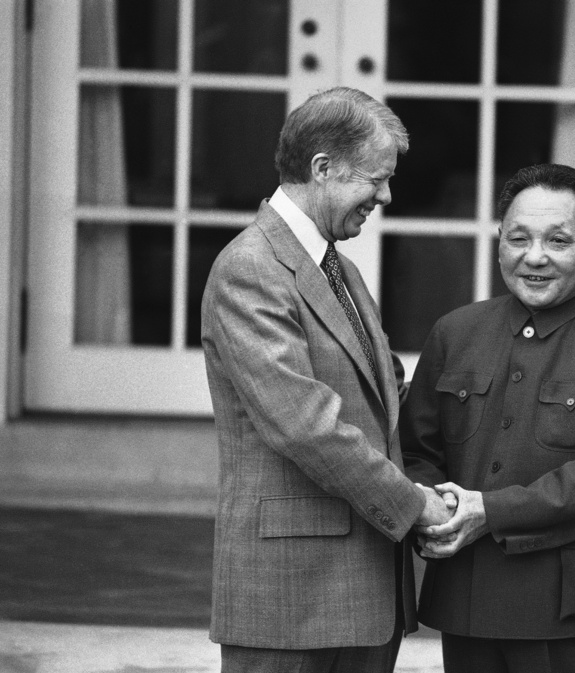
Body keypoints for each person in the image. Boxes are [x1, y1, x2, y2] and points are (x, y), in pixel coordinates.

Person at [200, 86, 452, 673]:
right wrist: (415, 504)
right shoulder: (251, 269)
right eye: (376, 179)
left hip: (364, 594)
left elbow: (383, 398)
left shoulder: (343, 270)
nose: (386, 196)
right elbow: (306, 427)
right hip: (290, 599)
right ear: (322, 168)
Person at [400, 164, 575, 673]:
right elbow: (417, 450)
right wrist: (436, 504)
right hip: (470, 600)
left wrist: (490, 511)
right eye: (518, 237)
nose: (535, 257)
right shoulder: (456, 332)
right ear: (500, 240)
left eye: (559, 240)